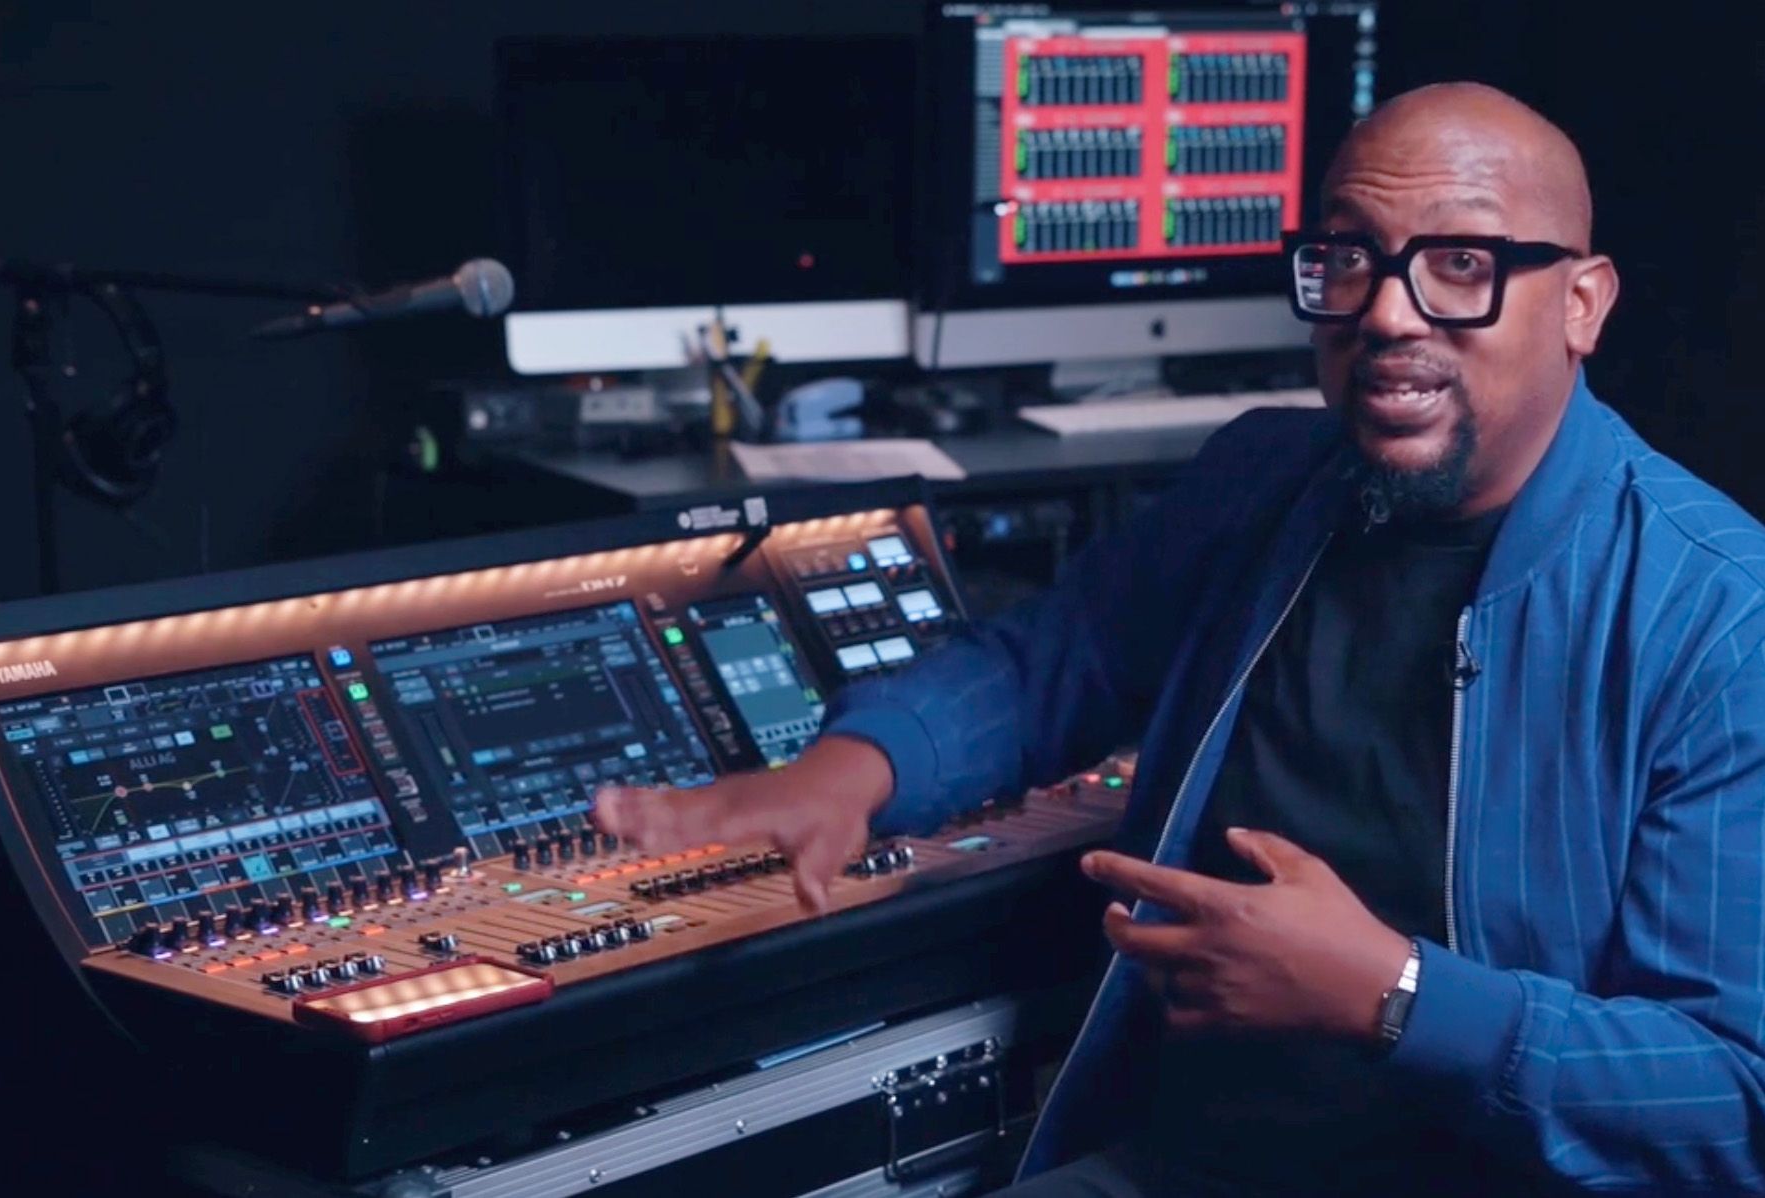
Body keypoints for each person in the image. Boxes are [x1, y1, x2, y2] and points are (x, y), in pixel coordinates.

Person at [596, 82, 1765, 1195]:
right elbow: (1054, 659)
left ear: (1583, 303)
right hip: (1189, 1164)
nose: (1388, 313)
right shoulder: (1267, 477)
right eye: (1349, 258)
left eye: (1462, 264)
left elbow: (1732, 1097)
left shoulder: (1718, 614)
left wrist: (1396, 996)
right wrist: (848, 774)